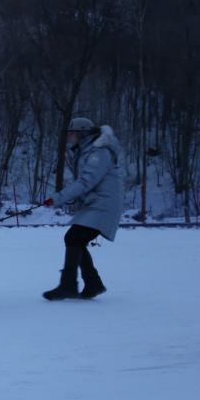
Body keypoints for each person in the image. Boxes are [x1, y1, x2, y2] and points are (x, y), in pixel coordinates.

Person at [41, 118, 122, 300]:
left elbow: (86, 182)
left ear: (82, 133)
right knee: (75, 239)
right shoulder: (87, 151)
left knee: (74, 238)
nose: (69, 137)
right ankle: (92, 284)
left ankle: (69, 286)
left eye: (72, 133)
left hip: (103, 205)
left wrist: (58, 198)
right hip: (95, 203)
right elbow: (86, 183)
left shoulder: (99, 152)